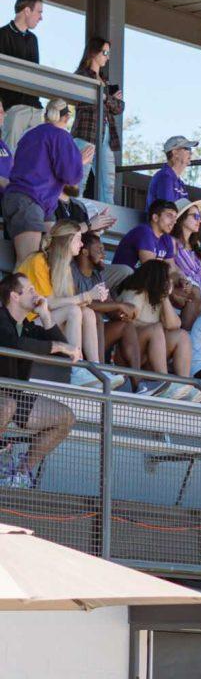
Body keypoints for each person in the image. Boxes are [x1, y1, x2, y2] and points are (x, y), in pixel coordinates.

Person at [0, 272, 78, 487]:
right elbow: (13, 344)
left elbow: (65, 351)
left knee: (65, 417)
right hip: (3, 398)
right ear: (15, 296)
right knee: (7, 404)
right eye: (31, 290)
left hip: (14, 396)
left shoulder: (27, 326)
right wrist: (58, 347)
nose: (37, 293)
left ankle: (19, 474)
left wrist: (45, 314)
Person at [4, 99, 91, 265]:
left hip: (26, 201)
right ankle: (17, 291)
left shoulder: (29, 134)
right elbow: (71, 177)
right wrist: (79, 162)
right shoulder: (61, 136)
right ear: (66, 117)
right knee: (28, 263)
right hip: (30, 201)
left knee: (53, 255)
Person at [15, 220, 107, 365]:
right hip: (26, 325)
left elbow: (68, 300)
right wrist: (87, 295)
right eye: (78, 239)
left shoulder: (65, 267)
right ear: (66, 241)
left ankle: (96, 367)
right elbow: (49, 303)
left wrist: (92, 296)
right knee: (74, 311)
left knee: (88, 313)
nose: (81, 244)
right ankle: (75, 367)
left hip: (47, 321)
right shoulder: (39, 261)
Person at [145, 135, 201, 277]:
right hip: (167, 236)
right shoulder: (165, 177)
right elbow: (167, 214)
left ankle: (198, 285)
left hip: (181, 235)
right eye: (187, 149)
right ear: (175, 152)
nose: (191, 153)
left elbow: (183, 210)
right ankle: (192, 287)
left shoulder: (178, 181)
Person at [115, 259, 192, 381]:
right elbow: (127, 322)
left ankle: (184, 384)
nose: (170, 283)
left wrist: (165, 297)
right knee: (156, 329)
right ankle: (164, 382)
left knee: (182, 335)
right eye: (167, 279)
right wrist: (153, 328)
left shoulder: (157, 295)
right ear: (157, 278)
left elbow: (175, 325)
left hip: (148, 357)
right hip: (127, 354)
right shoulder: (134, 292)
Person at [68, 36, 122, 203]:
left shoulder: (104, 80)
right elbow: (79, 101)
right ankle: (72, 215)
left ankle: (106, 224)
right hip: (86, 133)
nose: (108, 56)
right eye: (105, 52)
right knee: (79, 180)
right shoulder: (81, 75)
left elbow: (119, 107)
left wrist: (105, 98)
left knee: (108, 184)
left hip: (106, 136)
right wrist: (107, 99)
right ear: (93, 52)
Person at [0, 0, 44, 146]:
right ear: (27, 11)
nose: (41, 17)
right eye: (39, 12)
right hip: (13, 108)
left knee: (35, 160)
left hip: (35, 109)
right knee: (9, 157)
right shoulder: (2, 35)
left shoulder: (33, 39)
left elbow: (34, 73)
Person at [169, 198, 201, 328]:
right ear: (182, 218)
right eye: (195, 216)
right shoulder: (171, 241)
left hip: (200, 293)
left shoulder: (194, 244)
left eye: (200, 216)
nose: (200, 220)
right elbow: (171, 268)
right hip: (186, 292)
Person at [111, 197, 178, 284]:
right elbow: (150, 269)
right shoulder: (144, 231)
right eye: (169, 216)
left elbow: (171, 270)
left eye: (175, 217)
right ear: (155, 217)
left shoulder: (166, 238)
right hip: (122, 284)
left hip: (141, 285)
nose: (174, 221)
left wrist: (181, 280)